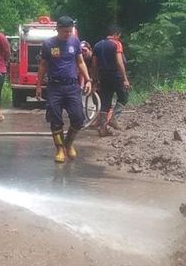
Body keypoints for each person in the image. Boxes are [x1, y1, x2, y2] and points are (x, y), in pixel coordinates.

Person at [35, 16, 92, 163]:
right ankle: (60, 149)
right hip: (54, 87)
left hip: (72, 86)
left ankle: (69, 143)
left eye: (70, 31)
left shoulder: (75, 41)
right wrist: (39, 86)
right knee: (55, 119)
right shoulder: (49, 44)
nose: (68, 34)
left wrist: (88, 79)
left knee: (78, 118)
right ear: (58, 29)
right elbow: (42, 66)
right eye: (66, 31)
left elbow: (80, 62)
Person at [92, 24, 131, 136]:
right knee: (124, 96)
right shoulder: (117, 44)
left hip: (103, 76)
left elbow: (94, 65)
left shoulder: (97, 45)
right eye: (119, 35)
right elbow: (119, 62)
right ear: (116, 34)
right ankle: (114, 118)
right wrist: (125, 79)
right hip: (116, 75)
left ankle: (103, 128)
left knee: (105, 101)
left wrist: (95, 79)